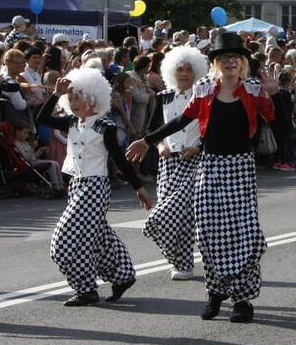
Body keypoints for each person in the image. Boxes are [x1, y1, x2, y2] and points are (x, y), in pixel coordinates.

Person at [128, 31, 276, 323]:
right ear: (216, 63)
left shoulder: (255, 89)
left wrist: (277, 93)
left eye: (235, 58)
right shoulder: (205, 88)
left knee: (243, 235)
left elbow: (275, 120)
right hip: (210, 167)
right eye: (224, 58)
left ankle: (243, 299)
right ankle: (216, 293)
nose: (230, 62)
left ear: (243, 62)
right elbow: (182, 119)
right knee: (208, 234)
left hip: (241, 167)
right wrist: (148, 140)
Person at [37, 68, 151, 306]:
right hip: (76, 185)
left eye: (77, 96)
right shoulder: (70, 122)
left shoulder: (104, 125)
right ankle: (123, 276)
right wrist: (55, 95)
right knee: (98, 236)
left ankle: (86, 289)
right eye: (70, 98)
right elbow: (42, 119)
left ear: (92, 97)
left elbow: (119, 159)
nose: (73, 101)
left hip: (95, 187)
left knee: (65, 240)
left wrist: (139, 187)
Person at [142, 46, 207, 280]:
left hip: (194, 161)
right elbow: (152, 130)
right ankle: (180, 262)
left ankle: (183, 262)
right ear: (172, 72)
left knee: (168, 215)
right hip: (168, 164)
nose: (184, 74)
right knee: (176, 218)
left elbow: (212, 128)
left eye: (189, 69)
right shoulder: (164, 97)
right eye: (180, 69)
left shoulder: (202, 96)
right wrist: (160, 146)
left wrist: (198, 147)